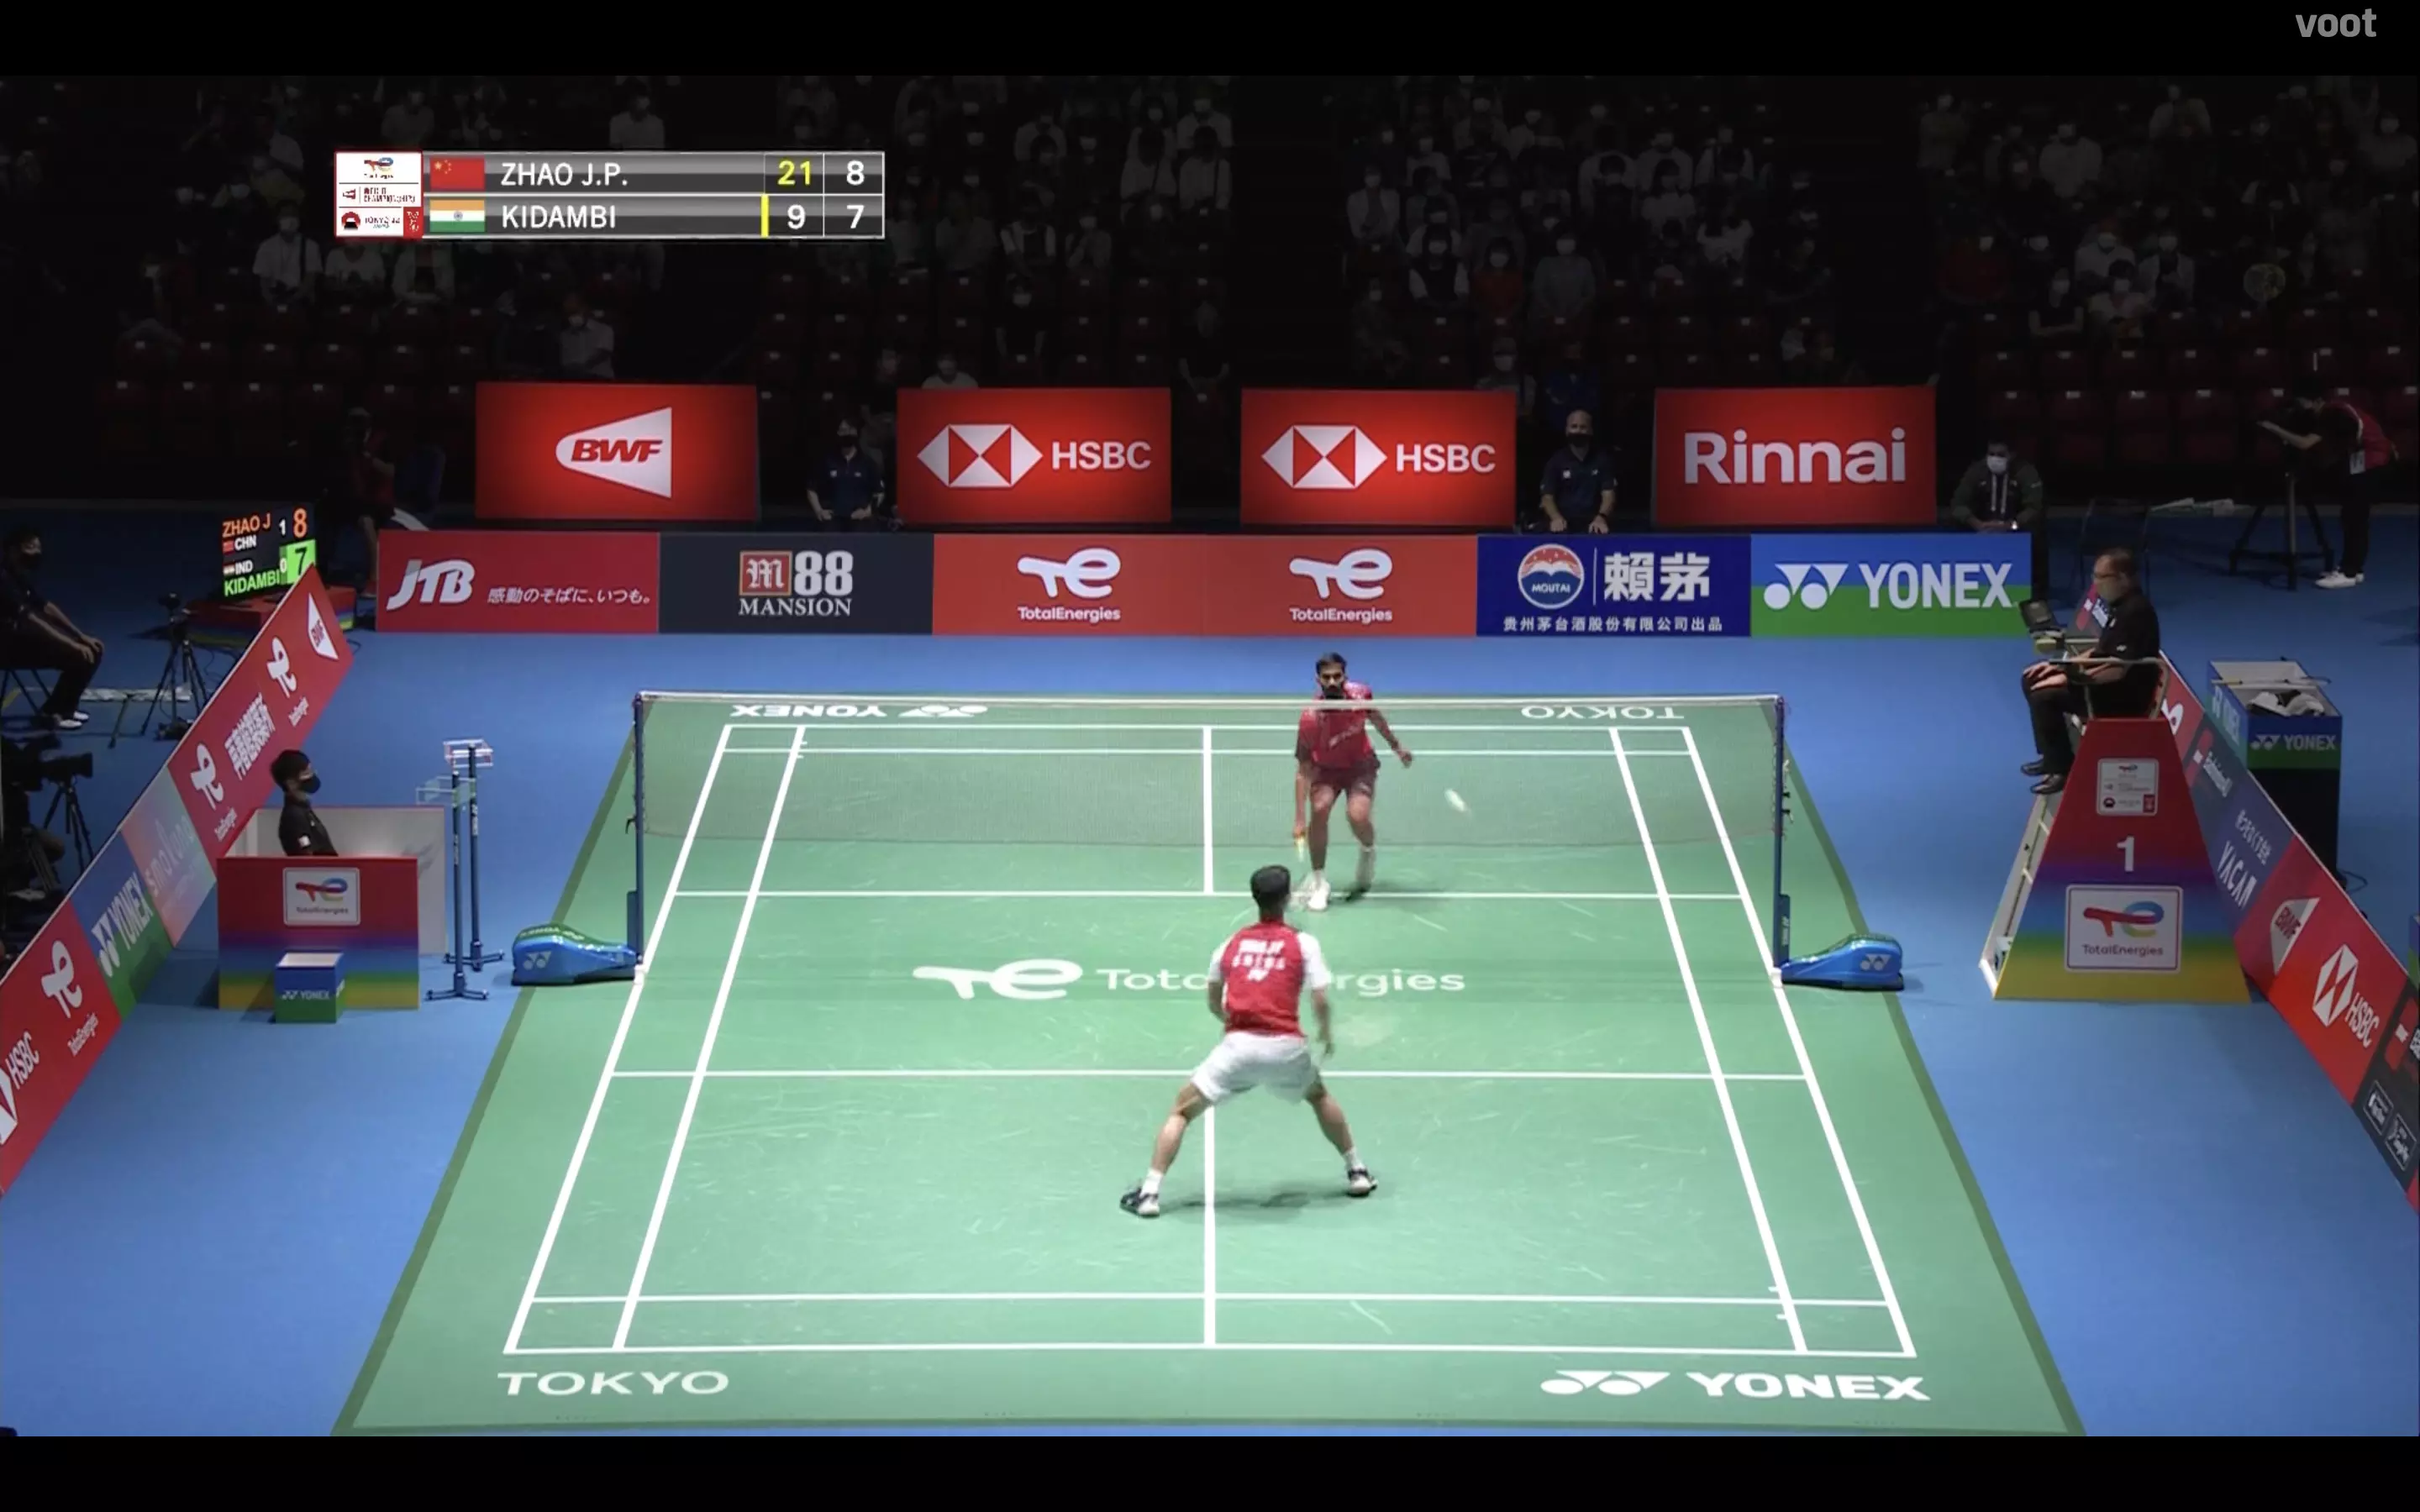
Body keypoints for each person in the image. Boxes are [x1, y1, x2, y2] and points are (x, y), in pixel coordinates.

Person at [1121, 864, 1375, 1219]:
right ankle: (1357, 1171)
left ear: (1255, 899)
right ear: (1287, 899)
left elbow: (1213, 998)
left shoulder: (1231, 943)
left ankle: (1149, 1194)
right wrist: (1326, 1034)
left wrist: (1232, 1023)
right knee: (1318, 1096)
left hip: (1237, 1049)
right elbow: (1319, 998)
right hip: (1286, 1049)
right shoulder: (1304, 943)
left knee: (1181, 1111)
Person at [2020, 549, 2160, 795]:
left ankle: (2062, 769)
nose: (2095, 584)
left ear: (2123, 578)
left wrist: (2068, 678)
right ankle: (2050, 756)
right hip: (2107, 685)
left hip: (2122, 697)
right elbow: (2100, 651)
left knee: (2044, 696)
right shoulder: (2120, 606)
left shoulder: (2136, 613)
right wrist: (2057, 666)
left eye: (2101, 577)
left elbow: (2116, 670)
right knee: (2032, 678)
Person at [1293, 653, 1413, 911]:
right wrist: (1300, 818)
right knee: (1320, 808)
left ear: (1345, 677)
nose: (1332, 682)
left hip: (1360, 766)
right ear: (1318, 680)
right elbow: (1303, 770)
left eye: (1337, 676)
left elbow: (1377, 719)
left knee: (1358, 816)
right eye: (1326, 677)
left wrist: (1397, 747)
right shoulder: (1311, 718)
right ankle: (1319, 882)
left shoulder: (1361, 695)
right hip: (1326, 770)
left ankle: (1368, 851)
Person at [2257, 375, 2398, 590]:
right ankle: (2354, 568)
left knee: (2355, 517)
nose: (2298, 405)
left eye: (2301, 401)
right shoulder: (2331, 411)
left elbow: (2305, 444)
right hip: (2363, 459)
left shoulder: (2333, 414)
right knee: (2352, 516)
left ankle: (2349, 572)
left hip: (2373, 459)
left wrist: (2272, 428)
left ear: (2315, 401)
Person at [0, 528, 103, 730]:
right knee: (78, 656)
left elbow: (45, 607)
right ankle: (53, 713)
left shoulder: (19, 575)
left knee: (94, 649)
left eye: (38, 548)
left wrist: (80, 636)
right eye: (30, 547)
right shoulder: (3, 580)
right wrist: (72, 645)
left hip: (17, 639)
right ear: (13, 550)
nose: (37, 553)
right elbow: (31, 619)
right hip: (5, 648)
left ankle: (66, 708)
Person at [1946, 438, 2049, 603]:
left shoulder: (2026, 472)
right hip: (1982, 525)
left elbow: (2034, 508)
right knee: (1954, 523)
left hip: (2014, 527)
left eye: (2001, 455)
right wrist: (1976, 523)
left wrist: (2010, 525)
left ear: (2011, 455)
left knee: (2037, 530)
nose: (1995, 459)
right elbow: (1958, 504)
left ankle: (2036, 591)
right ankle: (1959, 583)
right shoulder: (1977, 471)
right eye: (1991, 454)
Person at [271, 749, 338, 856]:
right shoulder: (293, 817)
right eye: (306, 773)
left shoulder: (304, 809)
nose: (312, 775)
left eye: (311, 770)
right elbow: (306, 860)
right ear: (291, 783)